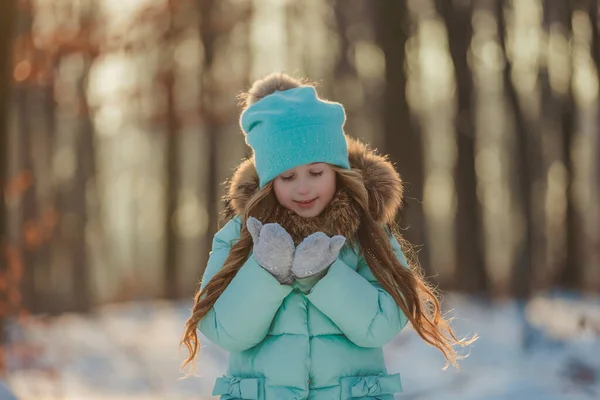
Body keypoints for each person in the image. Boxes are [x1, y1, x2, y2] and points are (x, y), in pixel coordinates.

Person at [181, 73, 474, 399]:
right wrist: (268, 273)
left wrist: (323, 276)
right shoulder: (241, 237)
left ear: (336, 170)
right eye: (287, 176)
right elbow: (224, 331)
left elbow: (381, 326)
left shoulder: (366, 232)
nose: (303, 187)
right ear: (268, 182)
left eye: (316, 172)